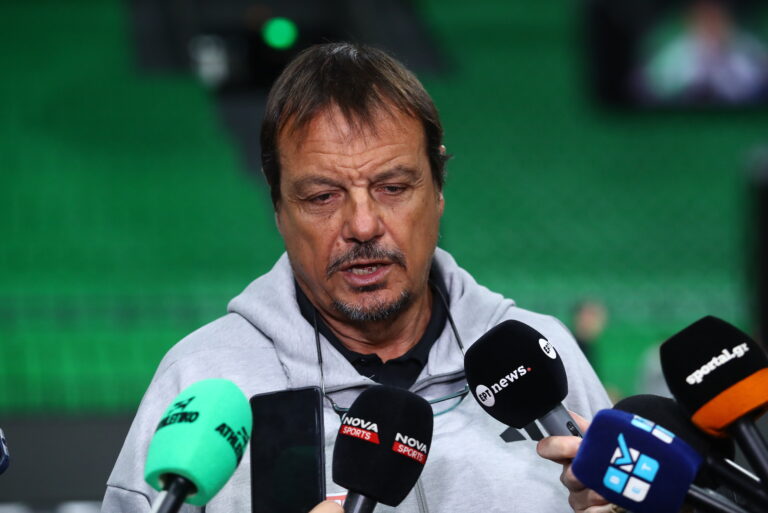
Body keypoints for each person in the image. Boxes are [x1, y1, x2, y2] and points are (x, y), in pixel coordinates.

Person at [101, 42, 611, 513]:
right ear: (278, 209)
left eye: (393, 187)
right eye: (322, 197)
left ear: (438, 190)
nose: (363, 226)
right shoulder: (200, 381)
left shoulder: (545, 355)